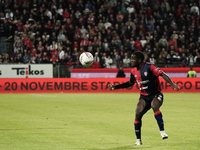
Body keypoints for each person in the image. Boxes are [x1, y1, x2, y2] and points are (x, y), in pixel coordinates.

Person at [108, 51, 180, 145]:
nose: (131, 60)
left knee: (154, 106)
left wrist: (172, 84)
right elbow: (130, 83)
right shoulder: (133, 70)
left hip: (155, 94)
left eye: (133, 59)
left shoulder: (150, 67)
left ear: (139, 60)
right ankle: (138, 140)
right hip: (144, 97)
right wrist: (115, 87)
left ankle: (162, 132)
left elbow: (162, 74)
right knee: (138, 114)